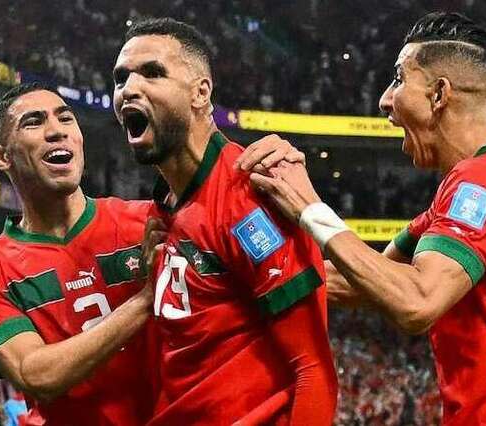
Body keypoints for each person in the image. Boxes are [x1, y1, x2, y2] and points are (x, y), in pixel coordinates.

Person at [241, 12, 486, 425]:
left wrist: (310, 208)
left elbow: (416, 302)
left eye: (398, 79)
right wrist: (247, 260)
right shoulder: (478, 186)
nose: (384, 99)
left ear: (439, 94)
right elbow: (364, 279)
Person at [112, 17, 337, 424]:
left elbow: (313, 370)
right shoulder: (162, 206)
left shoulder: (250, 193)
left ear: (201, 93)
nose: (129, 89)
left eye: (152, 72)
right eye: (120, 77)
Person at [0, 83, 159, 424]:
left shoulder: (147, 221)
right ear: (2, 156)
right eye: (33, 122)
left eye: (66, 118)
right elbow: (37, 376)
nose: (56, 131)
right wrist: (145, 300)